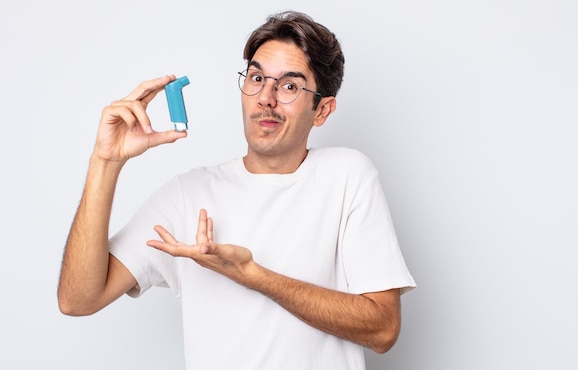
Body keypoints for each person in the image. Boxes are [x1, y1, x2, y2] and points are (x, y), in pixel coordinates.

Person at [58, 11, 416, 370]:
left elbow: (383, 329)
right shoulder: (188, 194)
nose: (266, 98)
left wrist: (254, 276)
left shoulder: (346, 176)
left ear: (321, 109)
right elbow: (77, 300)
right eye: (257, 78)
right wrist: (105, 161)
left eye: (289, 86)